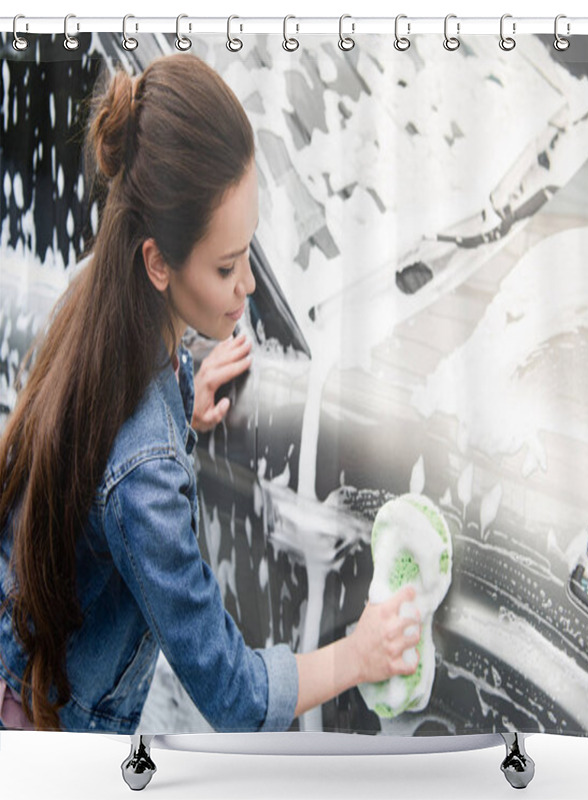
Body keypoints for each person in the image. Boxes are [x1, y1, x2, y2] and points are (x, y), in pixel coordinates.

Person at [0, 53, 421, 733]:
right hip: (55, 736)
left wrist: (178, 398)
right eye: (226, 267)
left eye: (249, 251)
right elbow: (235, 695)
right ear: (157, 263)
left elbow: (104, 456)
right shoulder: (145, 474)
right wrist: (357, 656)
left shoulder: (95, 297)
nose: (248, 286)